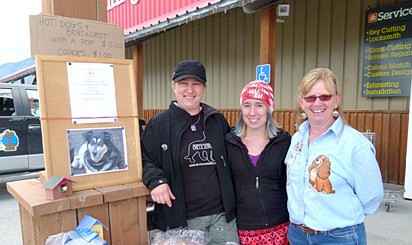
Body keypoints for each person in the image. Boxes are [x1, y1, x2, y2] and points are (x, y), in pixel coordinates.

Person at [141, 60, 239, 244]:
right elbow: (146, 159)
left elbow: (233, 154)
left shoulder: (215, 119)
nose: (190, 90)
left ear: (204, 87)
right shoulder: (159, 124)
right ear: (173, 87)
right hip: (183, 219)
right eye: (183, 84)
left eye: (196, 84)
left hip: (222, 217)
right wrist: (157, 181)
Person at [285, 68, 383, 244]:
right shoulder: (297, 138)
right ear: (302, 102)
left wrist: (339, 218)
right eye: (310, 97)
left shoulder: (355, 145)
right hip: (297, 235)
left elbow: (371, 197)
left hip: (339, 237)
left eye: (325, 97)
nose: (317, 103)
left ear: (336, 100)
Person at [225, 80, 291, 245]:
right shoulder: (229, 142)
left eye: (259, 105)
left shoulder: (283, 141)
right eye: (247, 105)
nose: (252, 112)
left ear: (269, 108)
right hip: (244, 228)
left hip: (281, 226)